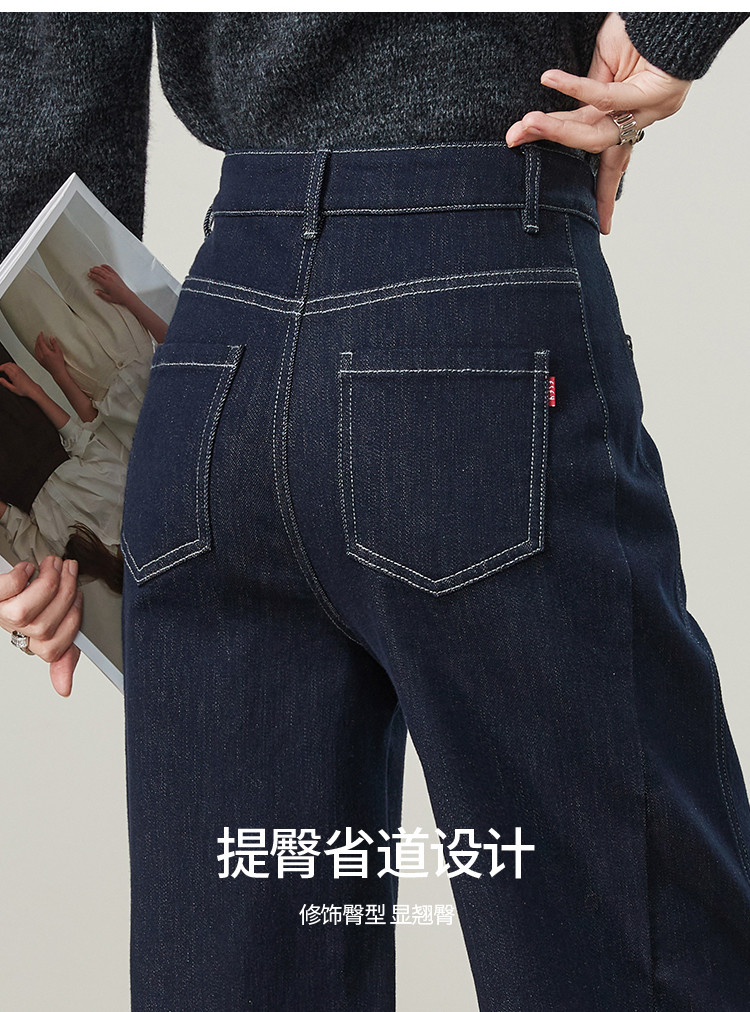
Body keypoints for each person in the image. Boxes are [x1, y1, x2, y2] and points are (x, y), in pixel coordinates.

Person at [0, 13, 749, 1011]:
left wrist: (23, 501)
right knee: (636, 953)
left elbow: (54, 42)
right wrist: (671, 29)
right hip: (476, 295)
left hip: (219, 350)